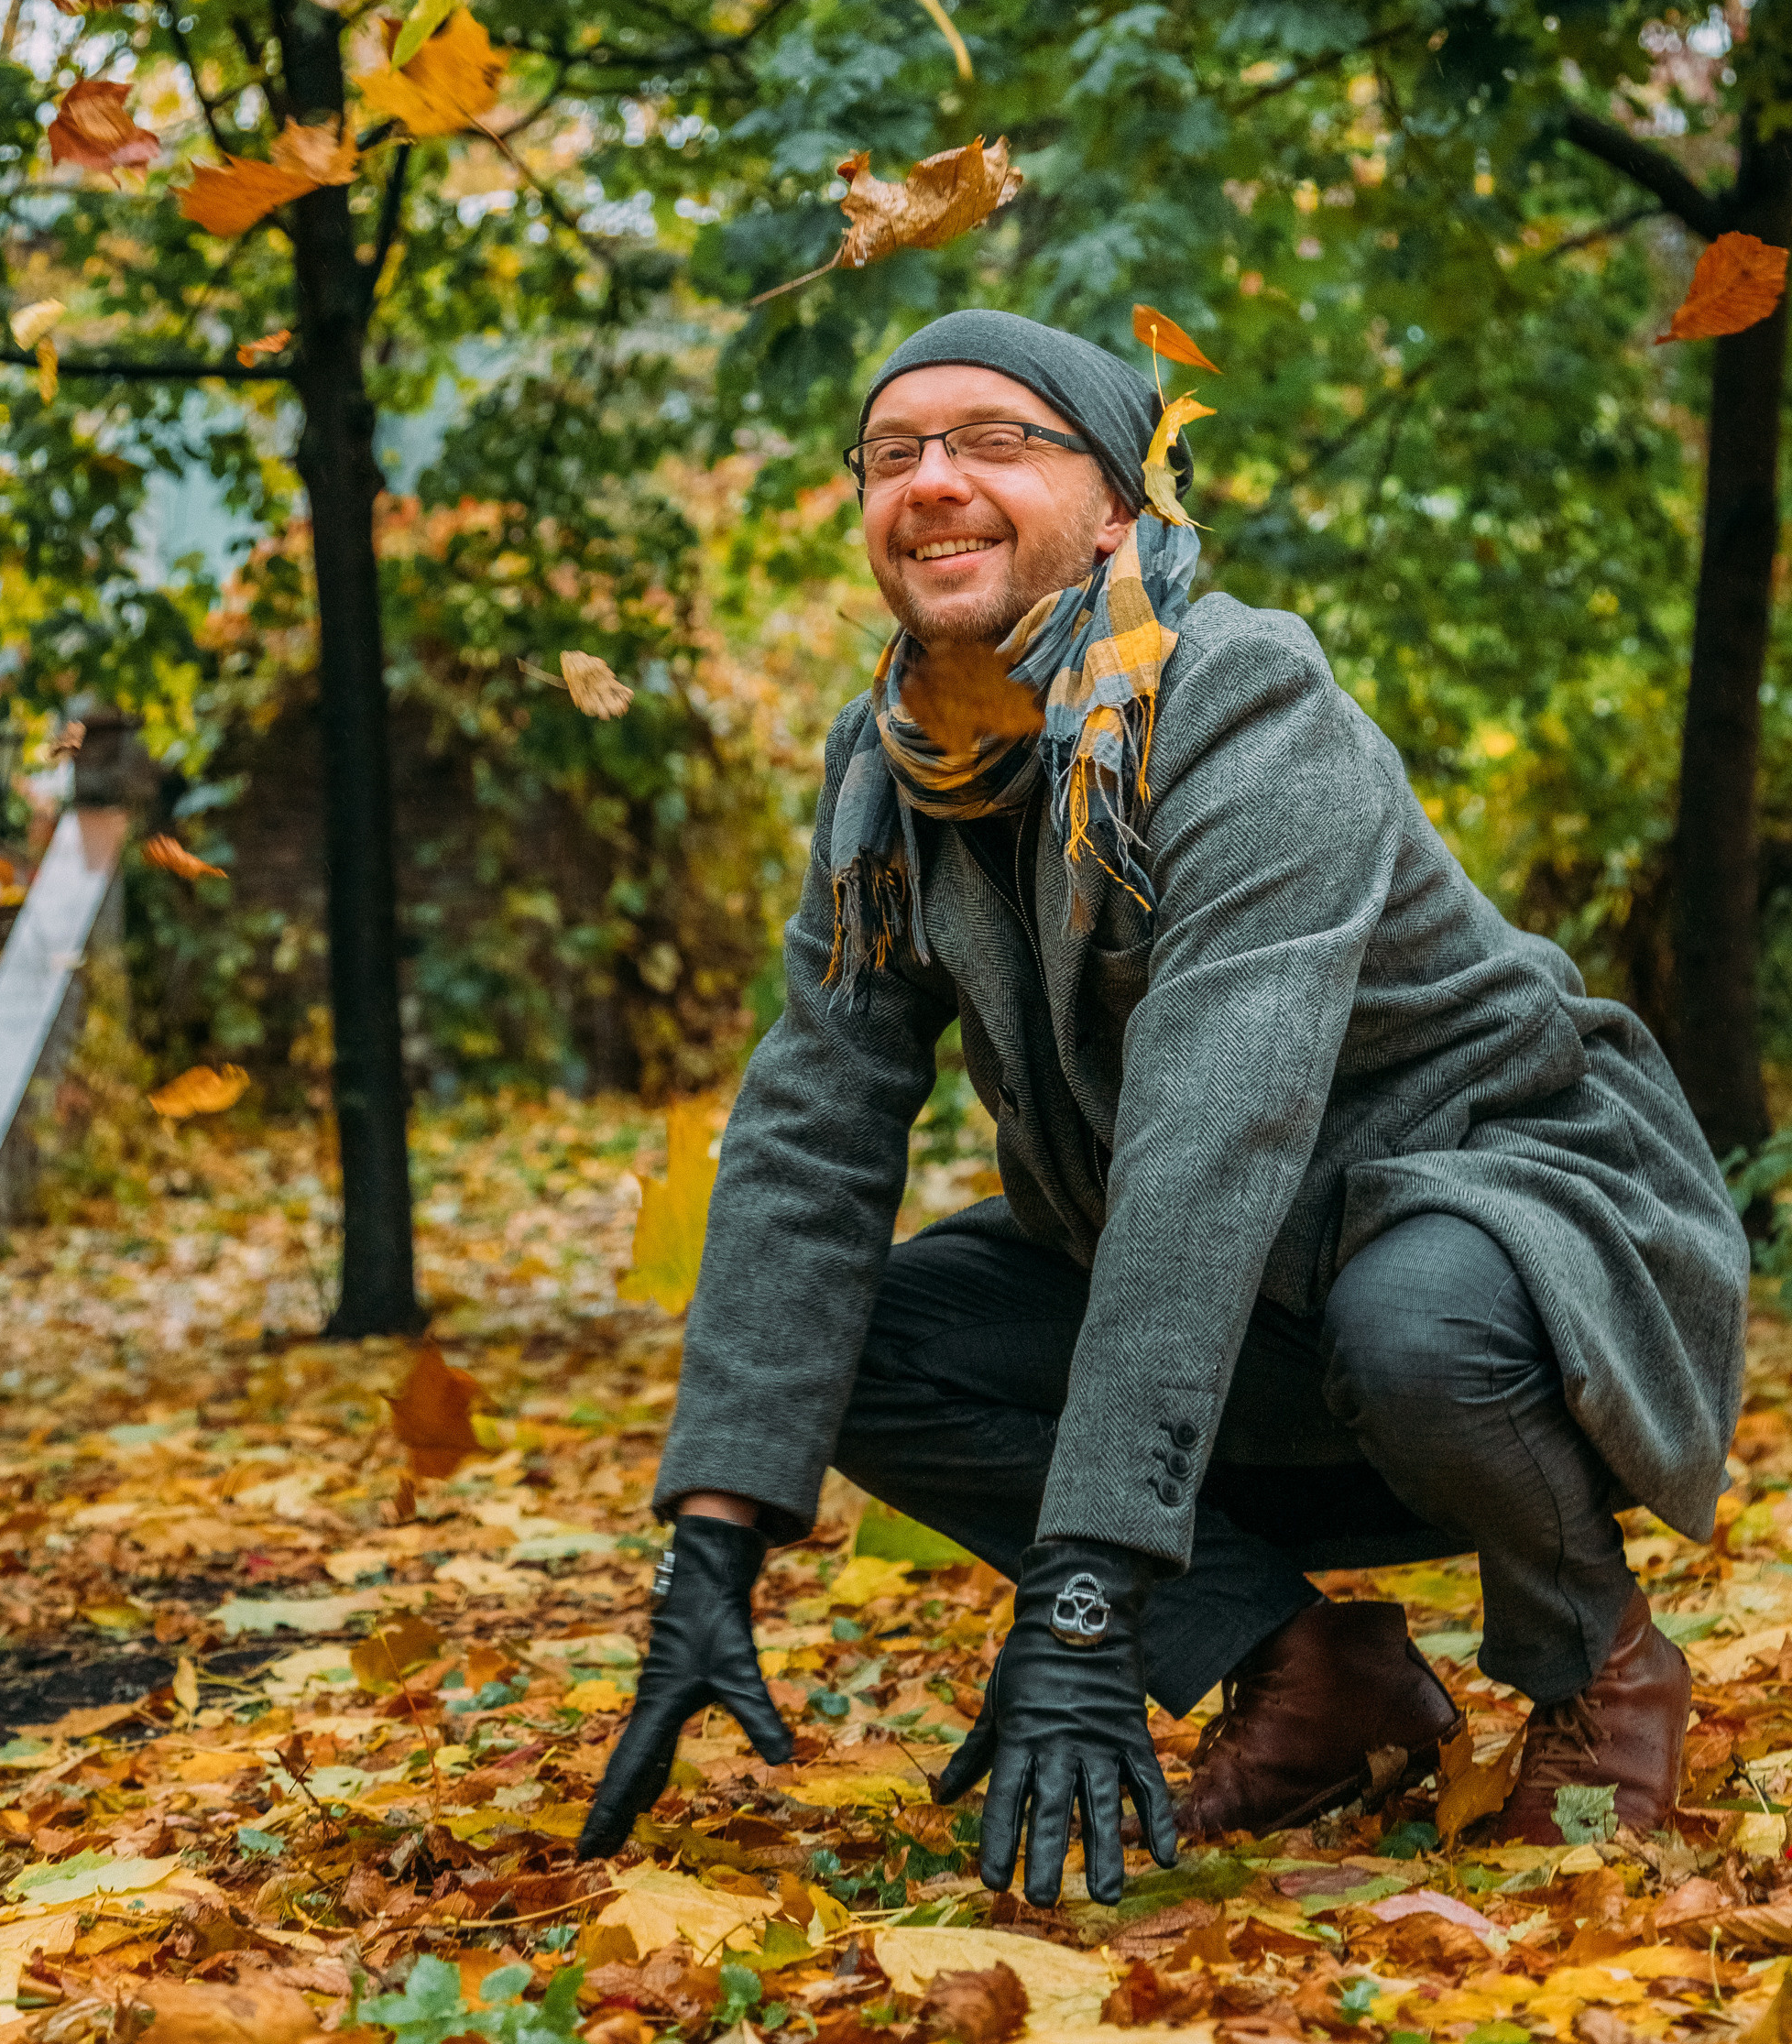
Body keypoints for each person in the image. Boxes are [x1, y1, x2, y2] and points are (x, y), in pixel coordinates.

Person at [577, 311, 1749, 1900]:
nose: (932, 482)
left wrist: (1081, 1599)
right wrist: (710, 1538)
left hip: (1509, 1230)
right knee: (855, 1332)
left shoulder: (1247, 707)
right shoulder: (888, 772)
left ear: (1123, 508)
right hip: (1241, 1287)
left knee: (1418, 1318)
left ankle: (1596, 1664)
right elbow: (808, 1132)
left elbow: (1215, 1137)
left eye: (998, 443)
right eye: (894, 453)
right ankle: (1311, 1673)